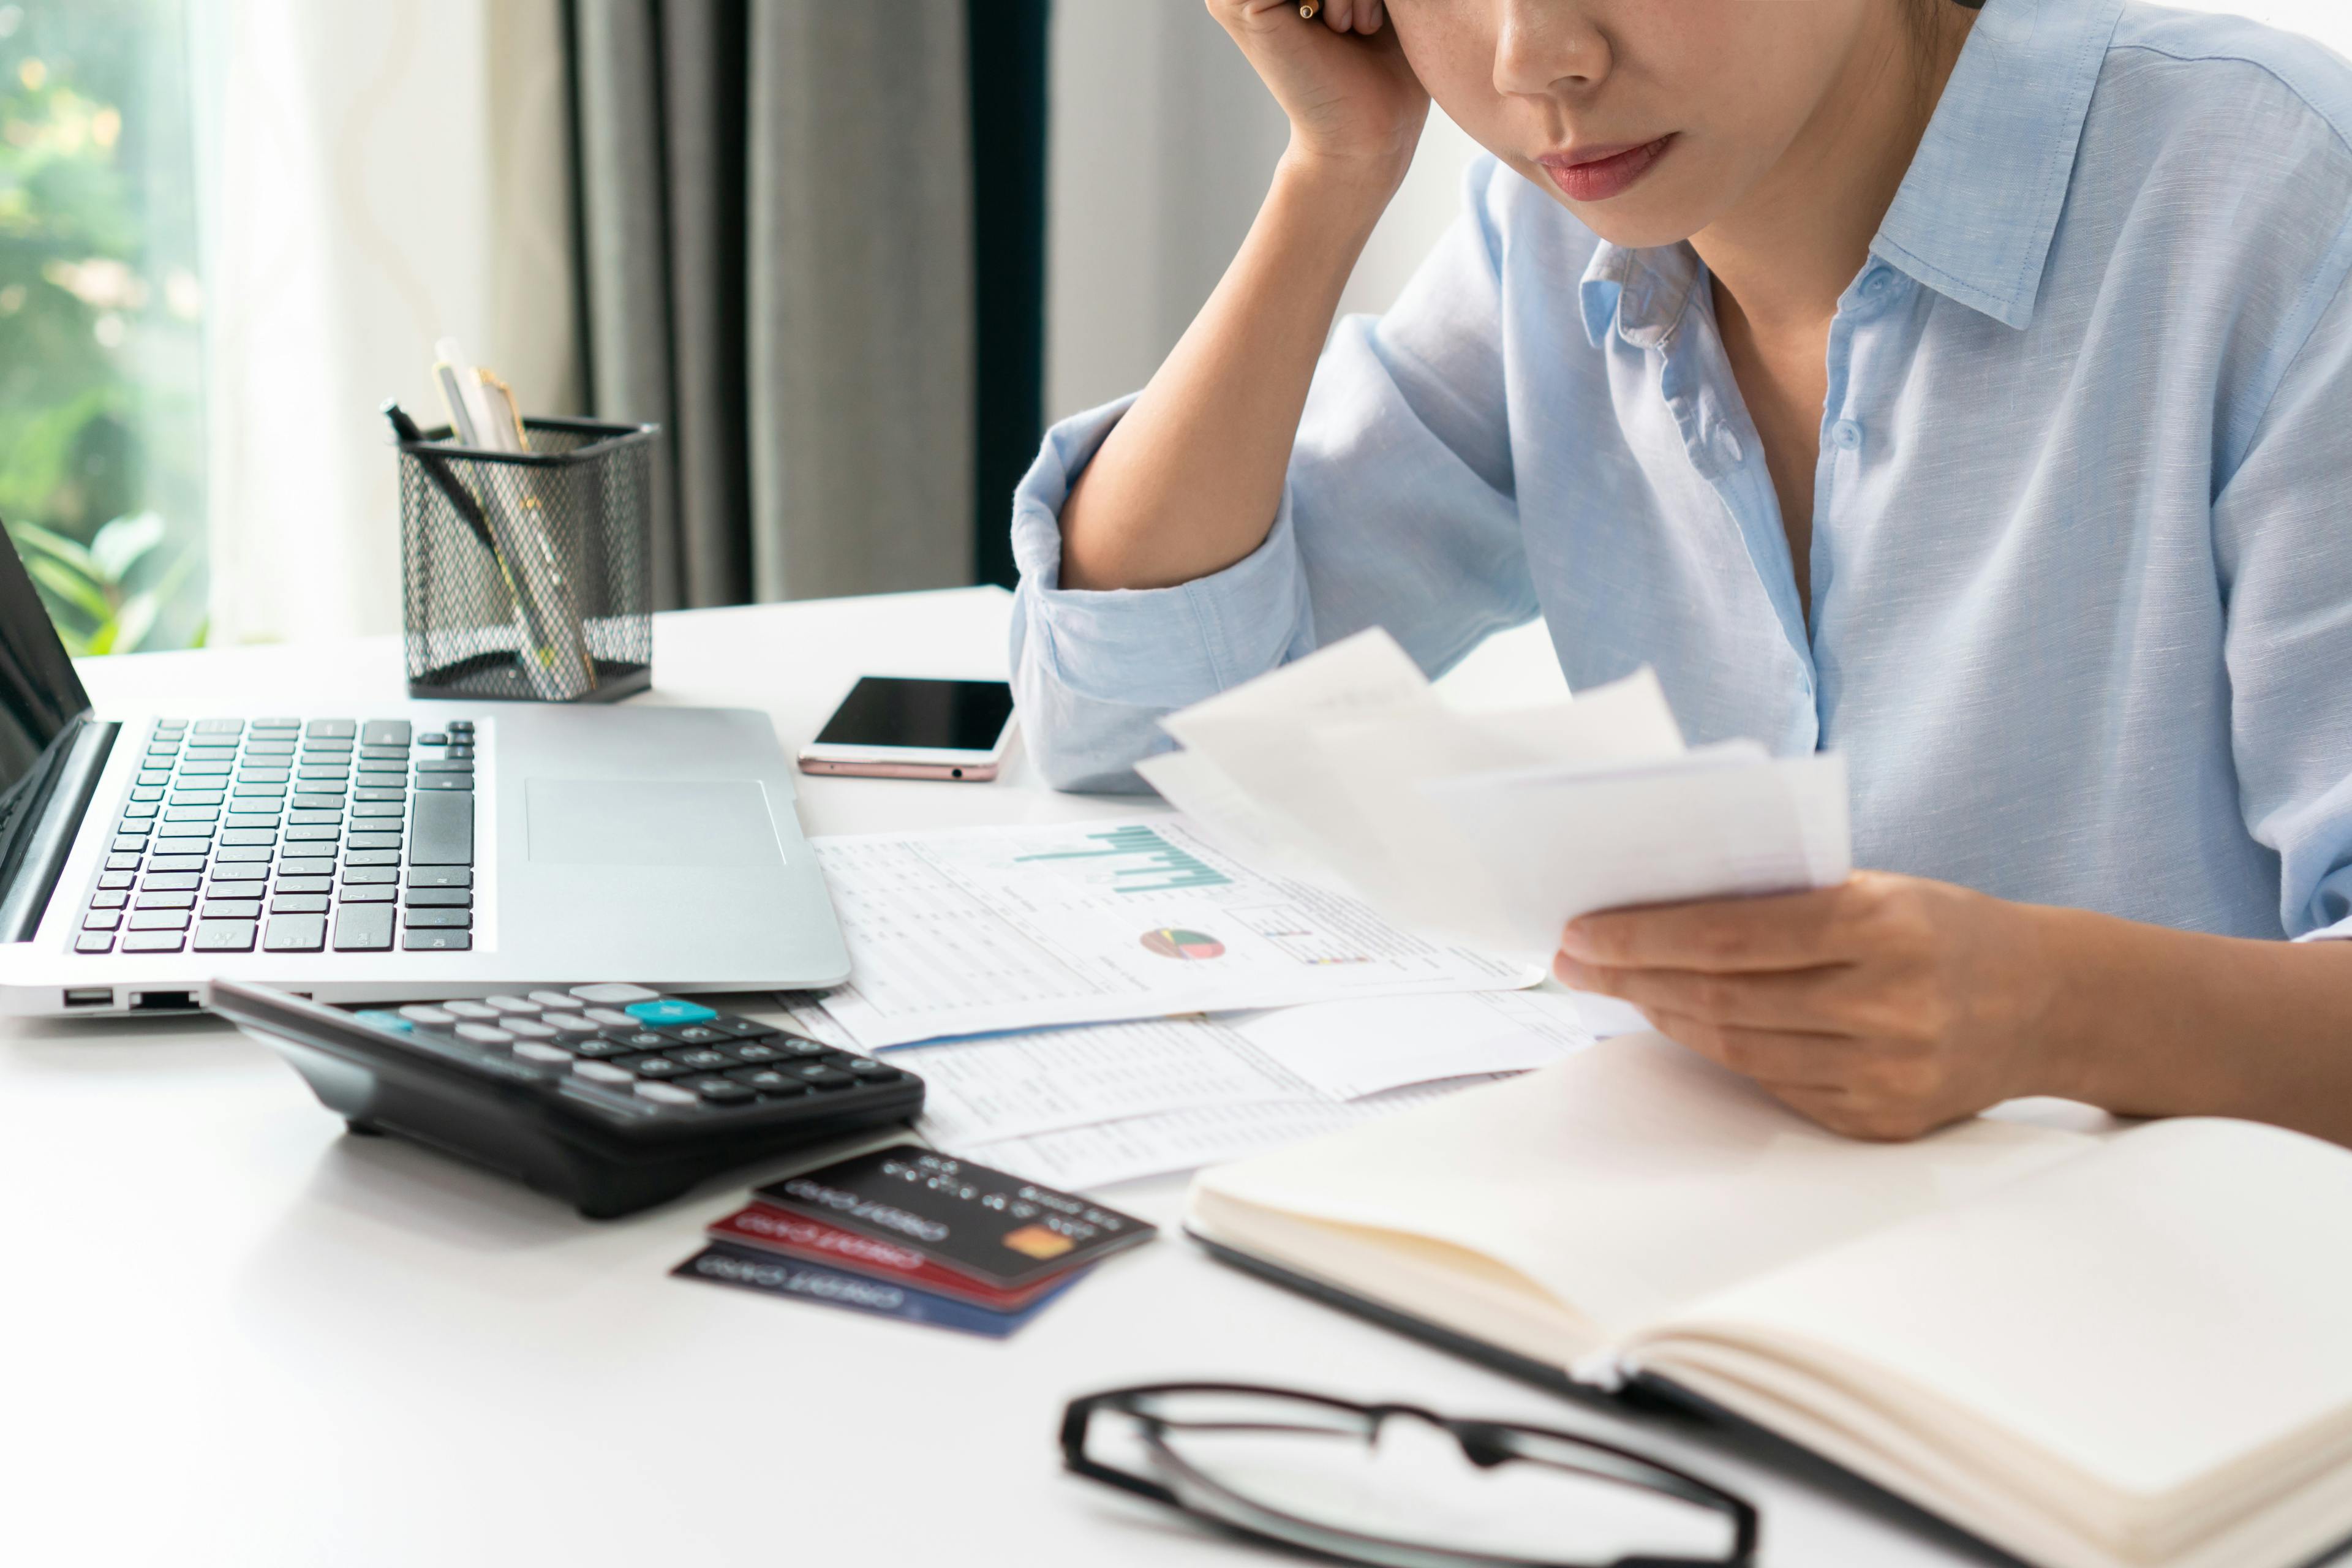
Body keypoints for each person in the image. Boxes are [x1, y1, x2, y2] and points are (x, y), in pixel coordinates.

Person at [1008, 0, 2352, 1145]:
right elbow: (1134, 708)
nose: (1537, 57)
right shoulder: (1551, 233)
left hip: (2202, 1312)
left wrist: (2052, 1008)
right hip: (1733, 1257)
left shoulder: (2271, 198)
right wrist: (1332, 169)